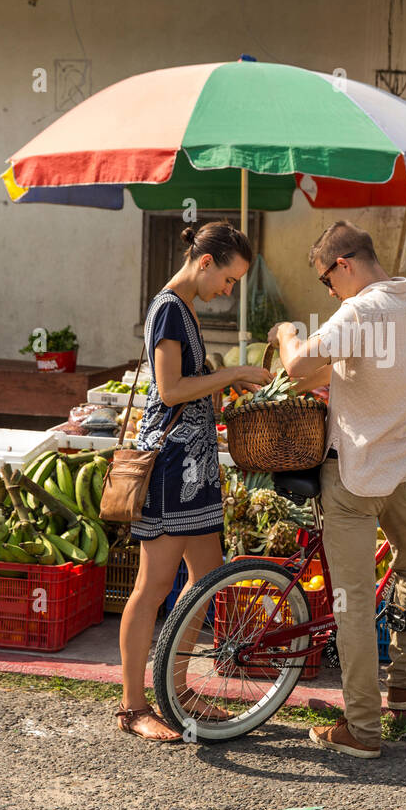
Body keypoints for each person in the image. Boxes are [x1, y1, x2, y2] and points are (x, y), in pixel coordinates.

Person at [271, 220, 406, 759]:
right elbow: (366, 370)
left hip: (355, 476)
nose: (330, 290)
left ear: (344, 264)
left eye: (325, 280)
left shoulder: (360, 310)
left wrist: (287, 332)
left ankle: (362, 728)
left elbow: (297, 364)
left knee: (353, 602)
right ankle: (405, 682)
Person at [115, 222, 272, 742]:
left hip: (197, 468)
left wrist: (222, 395)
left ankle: (176, 692)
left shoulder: (184, 310)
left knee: (207, 579)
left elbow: (189, 388)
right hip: (170, 468)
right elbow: (170, 387)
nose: (229, 291)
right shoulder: (168, 309)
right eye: (229, 280)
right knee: (153, 586)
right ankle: (133, 707)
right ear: (206, 262)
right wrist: (233, 374)